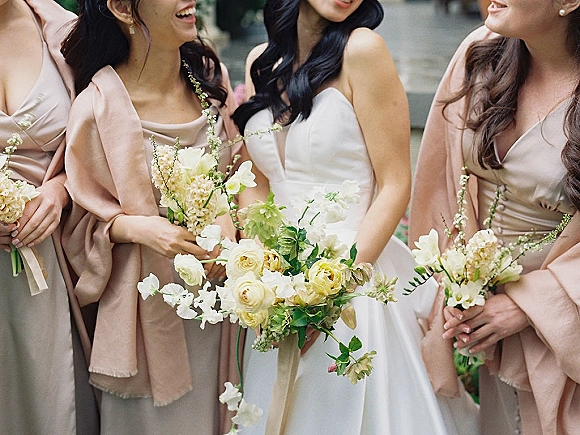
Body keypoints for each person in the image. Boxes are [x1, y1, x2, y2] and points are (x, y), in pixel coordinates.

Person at [232, 0, 480, 433]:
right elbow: (256, 181)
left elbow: (395, 183)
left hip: (352, 278)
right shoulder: (262, 60)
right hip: (276, 290)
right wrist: (259, 269)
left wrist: (330, 290)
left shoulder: (363, 50)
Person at [61, 1, 240, 434]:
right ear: (124, 8)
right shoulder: (97, 105)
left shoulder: (209, 83)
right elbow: (78, 223)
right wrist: (141, 228)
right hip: (144, 312)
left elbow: (240, 172)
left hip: (220, 303)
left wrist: (229, 223)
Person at [409, 1, 580, 434]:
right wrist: (457, 283)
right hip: (483, 314)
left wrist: (529, 304)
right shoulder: (480, 54)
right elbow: (442, 177)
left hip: (562, 318)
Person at [0, 0, 99, 434]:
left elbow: (103, 137)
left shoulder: (66, 33)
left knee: (50, 402)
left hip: (52, 260)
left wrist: (59, 191)